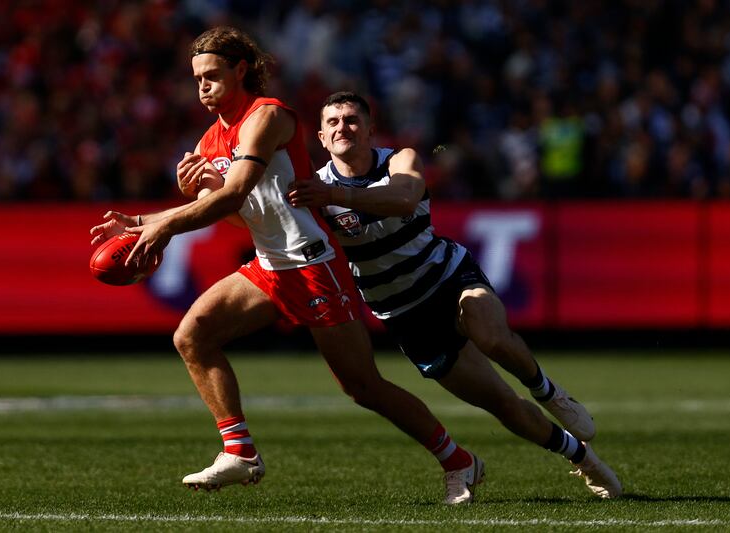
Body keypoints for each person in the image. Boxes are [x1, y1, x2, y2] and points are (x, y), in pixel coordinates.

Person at [89, 27, 484, 505]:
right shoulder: (212, 138)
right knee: (192, 335)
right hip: (271, 263)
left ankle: (459, 461)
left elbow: (235, 194)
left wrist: (160, 223)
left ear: (240, 70)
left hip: (315, 262)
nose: (203, 87)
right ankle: (239, 453)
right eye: (197, 79)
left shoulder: (268, 116)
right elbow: (239, 213)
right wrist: (159, 213)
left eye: (212, 75)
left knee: (363, 387)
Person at [284, 91, 623, 499]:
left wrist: (339, 197)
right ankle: (584, 460)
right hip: (404, 314)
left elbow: (405, 197)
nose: (343, 127)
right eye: (333, 122)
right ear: (321, 137)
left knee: (490, 333)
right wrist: (214, 186)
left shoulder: (398, 160)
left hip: (447, 277)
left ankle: (548, 391)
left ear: (371, 131)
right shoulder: (314, 189)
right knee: (502, 405)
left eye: (352, 120)